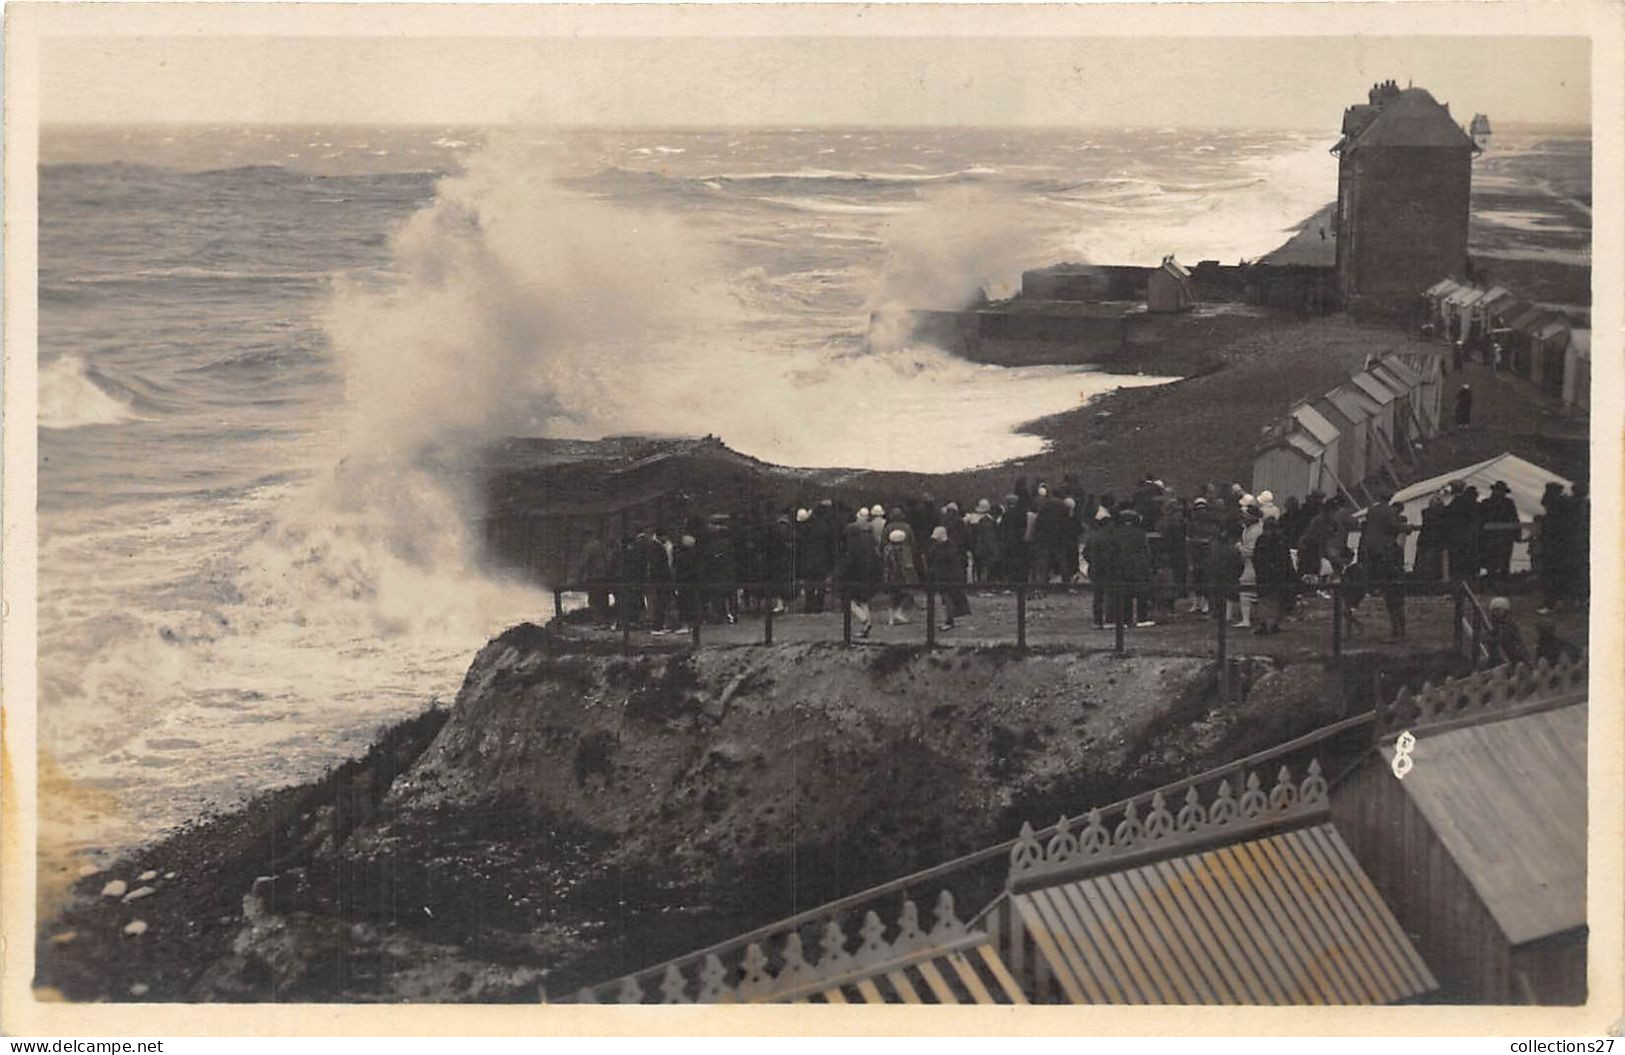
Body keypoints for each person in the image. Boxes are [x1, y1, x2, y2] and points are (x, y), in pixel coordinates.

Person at [839, 507, 878, 638]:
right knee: (863, 600)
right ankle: (867, 623)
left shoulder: (851, 546)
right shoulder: (867, 542)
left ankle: (864, 619)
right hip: (868, 574)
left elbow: (848, 563)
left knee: (848, 599)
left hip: (855, 576)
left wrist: (838, 574)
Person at [1252, 516, 1294, 635]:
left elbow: (1286, 559)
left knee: (1275, 601)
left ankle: (1273, 624)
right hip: (1265, 575)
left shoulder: (1280, 541)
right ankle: (1265, 624)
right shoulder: (1262, 541)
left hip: (1277, 575)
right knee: (1265, 600)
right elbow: (1257, 559)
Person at [926, 525, 970, 631]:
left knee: (948, 600)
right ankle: (950, 619)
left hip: (947, 578)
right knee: (948, 600)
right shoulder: (951, 547)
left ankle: (949, 620)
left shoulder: (942, 549)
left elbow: (936, 561)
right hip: (947, 577)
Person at [1478, 481, 1518, 586]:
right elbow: (1481, 521)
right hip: (1492, 538)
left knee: (1503, 561)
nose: (1499, 493)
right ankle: (1493, 582)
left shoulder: (1508, 503)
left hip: (1503, 538)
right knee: (1492, 561)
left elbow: (1514, 520)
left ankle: (1502, 583)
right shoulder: (1486, 503)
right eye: (1498, 490)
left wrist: (1516, 534)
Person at [1084, 508, 1119, 628]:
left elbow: (1085, 552)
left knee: (1097, 596)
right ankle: (1110, 619)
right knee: (1110, 594)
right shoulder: (1112, 538)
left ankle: (1097, 620)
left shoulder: (1092, 536)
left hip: (1095, 568)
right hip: (1109, 568)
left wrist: (1091, 562)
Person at [881, 528, 918, 625]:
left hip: (889, 575)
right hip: (901, 575)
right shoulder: (904, 549)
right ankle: (899, 613)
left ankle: (891, 618)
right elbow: (908, 564)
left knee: (893, 596)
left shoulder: (887, 549)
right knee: (907, 593)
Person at [1485, 596, 1530, 666]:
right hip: (1499, 655)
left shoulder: (1509, 625)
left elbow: (1515, 641)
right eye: (1495, 611)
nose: (1496, 613)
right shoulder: (1494, 626)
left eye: (1499, 610)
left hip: (1511, 653)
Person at [1413, 492, 1447, 582]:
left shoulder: (1425, 512)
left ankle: (1423, 577)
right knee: (1432, 560)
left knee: (1424, 560)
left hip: (1425, 539)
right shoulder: (1441, 513)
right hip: (1434, 539)